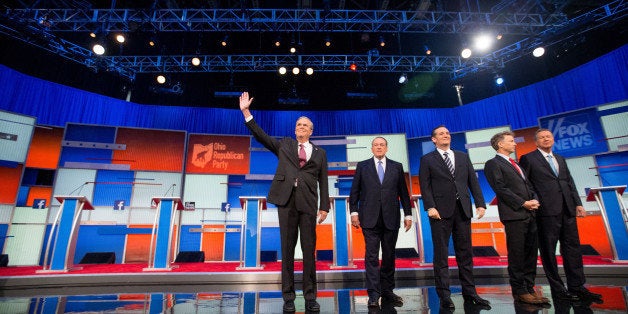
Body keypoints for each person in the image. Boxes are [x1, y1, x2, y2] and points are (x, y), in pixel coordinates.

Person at [239, 92, 330, 312]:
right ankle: (288, 297)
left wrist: (324, 206)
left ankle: (310, 297)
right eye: (298, 124)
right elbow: (262, 136)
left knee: (309, 252)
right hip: (286, 202)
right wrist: (246, 112)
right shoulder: (285, 146)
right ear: (294, 129)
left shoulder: (320, 153)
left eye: (304, 125)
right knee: (287, 251)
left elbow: (324, 181)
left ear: (311, 131)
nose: (300, 126)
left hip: (308, 204)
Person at [519, 128, 602, 303]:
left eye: (548, 136)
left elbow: (568, 181)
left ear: (553, 139)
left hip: (567, 209)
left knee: (573, 249)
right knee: (549, 251)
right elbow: (526, 184)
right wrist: (536, 202)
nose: (546, 139)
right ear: (536, 142)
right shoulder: (528, 158)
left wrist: (578, 204)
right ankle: (558, 289)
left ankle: (577, 286)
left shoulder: (560, 158)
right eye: (541, 137)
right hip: (546, 211)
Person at [419, 125, 491, 310]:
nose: (446, 135)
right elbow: (425, 185)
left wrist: (480, 203)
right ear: (434, 139)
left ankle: (470, 292)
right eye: (441, 134)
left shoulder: (462, 156)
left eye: (447, 133)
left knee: (465, 253)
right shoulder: (427, 159)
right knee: (441, 255)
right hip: (440, 212)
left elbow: (472, 181)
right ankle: (444, 295)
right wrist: (430, 206)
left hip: (463, 210)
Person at [484, 131, 549, 305]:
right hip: (514, 215)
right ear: (500, 144)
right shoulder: (493, 164)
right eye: (511, 141)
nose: (515, 144)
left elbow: (529, 185)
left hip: (530, 213)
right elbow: (501, 188)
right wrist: (523, 203)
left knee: (530, 254)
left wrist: (534, 199)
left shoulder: (516, 164)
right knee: (518, 254)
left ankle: (529, 288)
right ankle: (519, 291)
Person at [349, 137, 412, 309]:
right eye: (376, 145)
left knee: (389, 256)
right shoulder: (362, 166)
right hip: (369, 218)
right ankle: (373, 294)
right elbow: (354, 191)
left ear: (386, 148)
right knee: (371, 256)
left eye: (382, 145)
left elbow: (403, 193)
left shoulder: (397, 166)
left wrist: (408, 214)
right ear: (371, 148)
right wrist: (354, 212)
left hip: (391, 218)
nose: (379, 147)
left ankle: (387, 291)